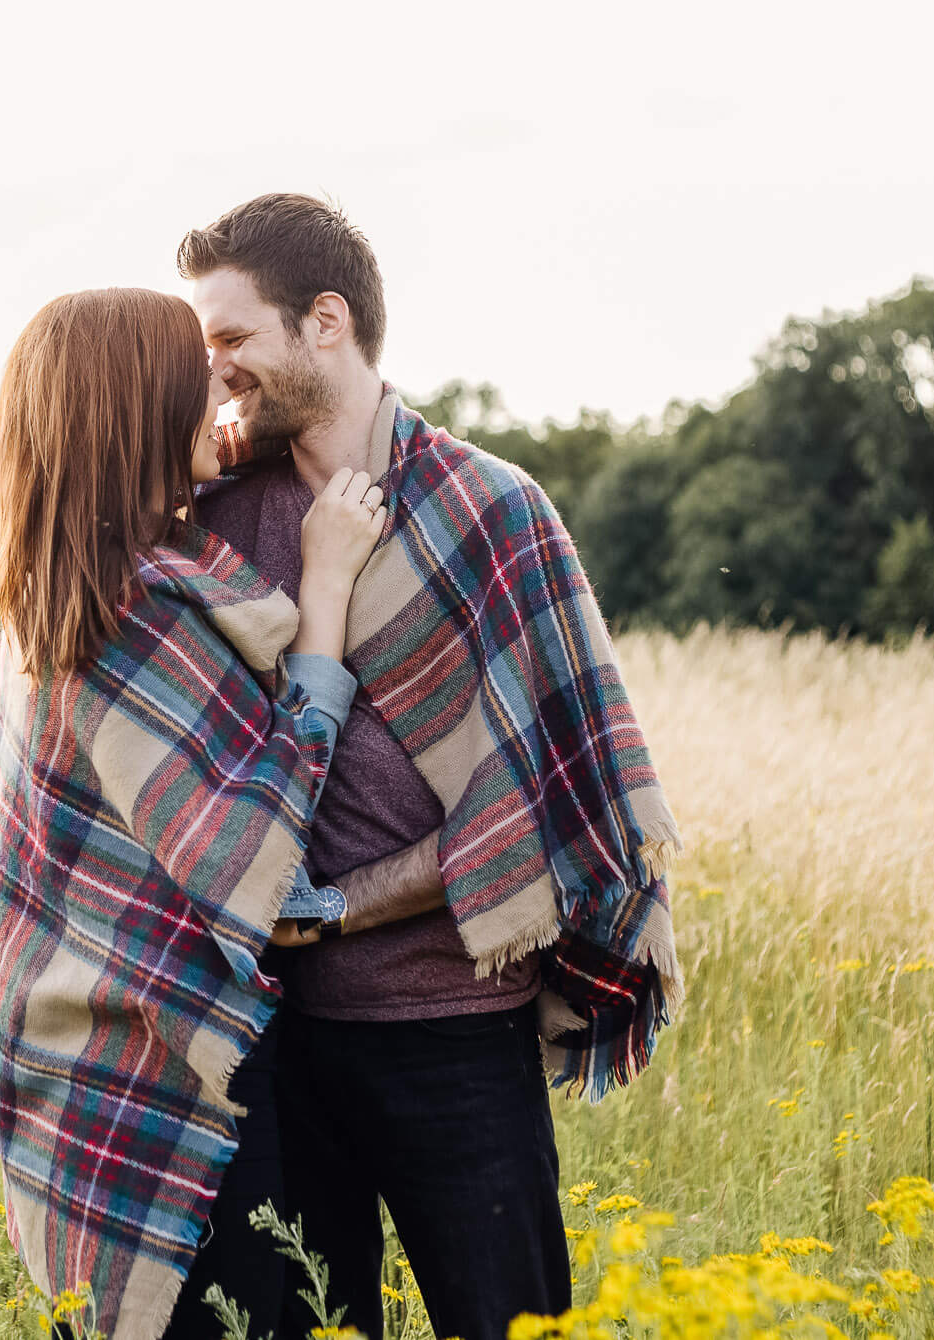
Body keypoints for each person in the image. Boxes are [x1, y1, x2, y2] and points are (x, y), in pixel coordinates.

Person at [181, 193, 684, 1340]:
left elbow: (552, 806)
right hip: (274, 1047)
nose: (213, 372)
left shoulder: (493, 511)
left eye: (230, 339)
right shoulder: (213, 517)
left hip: (453, 1035)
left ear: (324, 321)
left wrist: (334, 911)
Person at [0, 287, 384, 1340]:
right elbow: (258, 843)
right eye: (203, 385)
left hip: (101, 1069)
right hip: (166, 1074)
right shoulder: (136, 611)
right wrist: (328, 589)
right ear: (139, 413)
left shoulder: (78, 590)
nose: (227, 397)